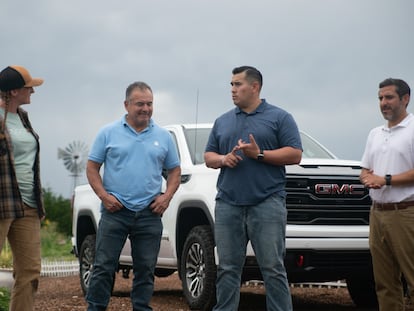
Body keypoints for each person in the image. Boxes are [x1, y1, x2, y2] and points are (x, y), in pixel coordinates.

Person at [204, 66, 302, 311]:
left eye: (238, 84)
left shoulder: (280, 117)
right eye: (231, 85)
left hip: (267, 202)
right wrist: (223, 159)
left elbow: (295, 154)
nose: (233, 90)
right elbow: (208, 156)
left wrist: (259, 153)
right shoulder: (222, 121)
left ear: (255, 86)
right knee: (227, 268)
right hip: (228, 204)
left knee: (272, 268)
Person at [85, 81, 181, 311]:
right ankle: (96, 307)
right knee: (103, 266)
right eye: (140, 104)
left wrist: (166, 197)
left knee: (146, 268)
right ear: (126, 105)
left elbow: (175, 171)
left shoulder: (163, 136)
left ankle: (141, 308)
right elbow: (91, 168)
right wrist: (104, 197)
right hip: (115, 212)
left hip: (149, 213)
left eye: (149, 104)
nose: (146, 109)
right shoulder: (108, 133)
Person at [360, 78, 414, 310]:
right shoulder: (375, 133)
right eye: (380, 98)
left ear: (405, 99)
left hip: (406, 213)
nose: (383, 103)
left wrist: (386, 180)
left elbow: (383, 177)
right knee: (384, 284)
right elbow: (365, 168)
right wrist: (366, 178)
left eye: (389, 97)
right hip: (378, 214)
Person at [0, 65, 45, 311]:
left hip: (27, 204)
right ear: (14, 91)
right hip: (2, 201)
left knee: (29, 272)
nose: (33, 92)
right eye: (29, 88)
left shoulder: (22, 117)